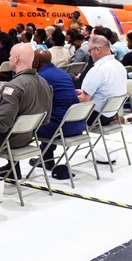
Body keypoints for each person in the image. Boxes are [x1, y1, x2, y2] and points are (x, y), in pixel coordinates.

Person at [0, 43, 52, 178]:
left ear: (17, 58)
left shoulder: (13, 87)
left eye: (11, 56)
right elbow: (45, 119)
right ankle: (11, 168)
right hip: (28, 136)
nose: (9, 58)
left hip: (8, 140)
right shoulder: (45, 84)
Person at [31, 48, 82, 177]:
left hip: (60, 128)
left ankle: (12, 167)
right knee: (51, 116)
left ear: (36, 62)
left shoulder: (41, 78)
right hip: (78, 125)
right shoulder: (63, 74)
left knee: (23, 125)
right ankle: (46, 157)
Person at [76, 35, 128, 132]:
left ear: (98, 49)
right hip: (112, 113)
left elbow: (84, 100)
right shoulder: (119, 66)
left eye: (90, 51)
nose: (89, 54)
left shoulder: (98, 69)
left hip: (95, 117)